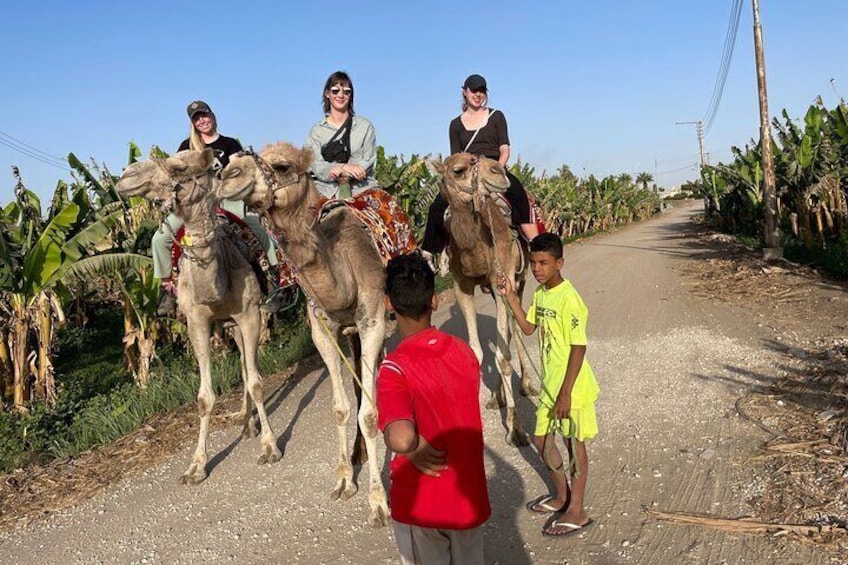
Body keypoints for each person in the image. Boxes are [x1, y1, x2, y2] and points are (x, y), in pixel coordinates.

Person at [377, 253, 490, 564]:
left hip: (422, 506)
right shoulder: (464, 352)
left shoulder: (394, 368)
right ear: (435, 300)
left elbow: (400, 438)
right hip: (467, 499)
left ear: (389, 303)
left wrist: (411, 448)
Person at [498, 233, 599, 537]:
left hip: (572, 387)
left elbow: (579, 347)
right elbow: (529, 328)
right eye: (532, 263)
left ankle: (577, 512)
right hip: (550, 386)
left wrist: (566, 392)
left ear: (559, 263)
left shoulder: (570, 298)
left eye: (543, 263)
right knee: (542, 442)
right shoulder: (541, 295)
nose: (537, 269)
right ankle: (561, 496)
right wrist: (511, 297)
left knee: (572, 445)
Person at [152, 100, 279, 316]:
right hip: (196, 206)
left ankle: (275, 280)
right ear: (192, 123)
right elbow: (177, 177)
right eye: (196, 118)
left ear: (212, 115)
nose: (202, 120)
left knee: (258, 229)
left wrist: (237, 163)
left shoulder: (229, 144)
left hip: (226, 200)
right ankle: (168, 291)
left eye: (204, 115)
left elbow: (238, 172)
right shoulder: (186, 148)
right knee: (159, 239)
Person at [420, 73, 540, 267]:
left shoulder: (496, 116)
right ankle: (430, 253)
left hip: (493, 166)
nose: (478, 94)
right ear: (464, 93)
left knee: (518, 194)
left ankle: (536, 244)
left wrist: (497, 168)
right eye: (474, 90)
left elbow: (505, 148)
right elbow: (455, 157)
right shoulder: (455, 124)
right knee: (437, 205)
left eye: (482, 90)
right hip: (467, 171)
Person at [306, 71, 380, 199]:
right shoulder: (316, 131)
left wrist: (345, 170)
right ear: (327, 94)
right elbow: (316, 164)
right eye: (335, 91)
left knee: (390, 214)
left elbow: (368, 159)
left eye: (346, 91)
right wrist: (339, 168)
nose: (341, 95)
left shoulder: (365, 126)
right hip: (325, 191)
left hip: (362, 188)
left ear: (351, 95)